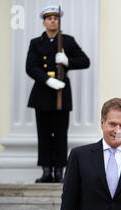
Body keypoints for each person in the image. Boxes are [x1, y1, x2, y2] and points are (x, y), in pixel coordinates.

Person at [26, 6, 90, 183]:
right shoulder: (36, 42)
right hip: (43, 92)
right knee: (44, 133)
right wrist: (47, 80)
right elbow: (30, 67)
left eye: (55, 18)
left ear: (59, 21)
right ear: (44, 22)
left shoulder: (67, 41)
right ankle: (46, 171)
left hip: (61, 93)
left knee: (61, 133)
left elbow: (85, 61)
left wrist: (68, 61)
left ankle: (59, 171)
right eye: (49, 18)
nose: (53, 20)